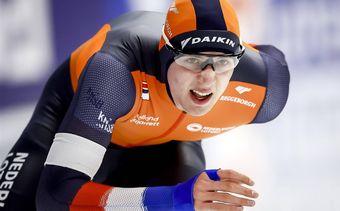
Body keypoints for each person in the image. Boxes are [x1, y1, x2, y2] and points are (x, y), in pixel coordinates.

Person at [0, 0, 290, 210]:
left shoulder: (266, 91)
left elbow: (266, 55)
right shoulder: (115, 72)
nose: (207, 79)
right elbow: (55, 195)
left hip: (167, 146)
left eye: (223, 63)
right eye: (192, 61)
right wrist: (171, 198)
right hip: (76, 115)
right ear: (164, 56)